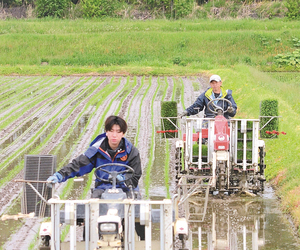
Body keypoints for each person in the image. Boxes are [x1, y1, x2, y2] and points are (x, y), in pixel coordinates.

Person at [47, 115, 142, 199]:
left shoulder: (131, 152)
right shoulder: (97, 150)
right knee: (91, 208)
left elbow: (135, 176)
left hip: (125, 189)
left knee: (136, 208)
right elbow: (79, 165)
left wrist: (122, 179)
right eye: (111, 131)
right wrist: (60, 175)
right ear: (106, 132)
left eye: (118, 132)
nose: (114, 135)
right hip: (102, 188)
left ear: (123, 133)